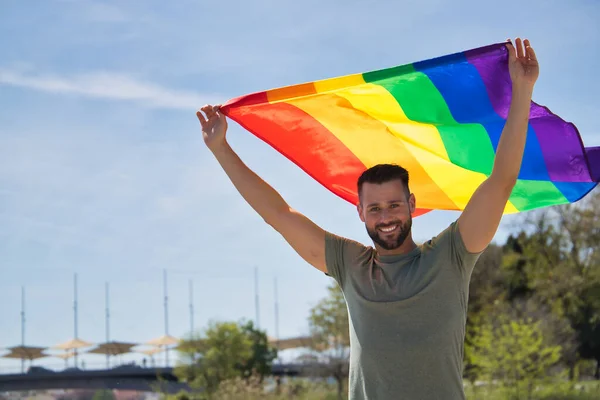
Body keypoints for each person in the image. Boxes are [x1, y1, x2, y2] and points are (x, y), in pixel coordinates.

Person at [196, 38, 539, 400]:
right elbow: (278, 215)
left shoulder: (451, 255)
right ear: (360, 212)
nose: (385, 217)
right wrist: (221, 149)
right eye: (374, 209)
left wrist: (523, 90)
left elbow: (501, 182)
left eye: (393, 205)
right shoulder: (350, 264)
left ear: (411, 203)